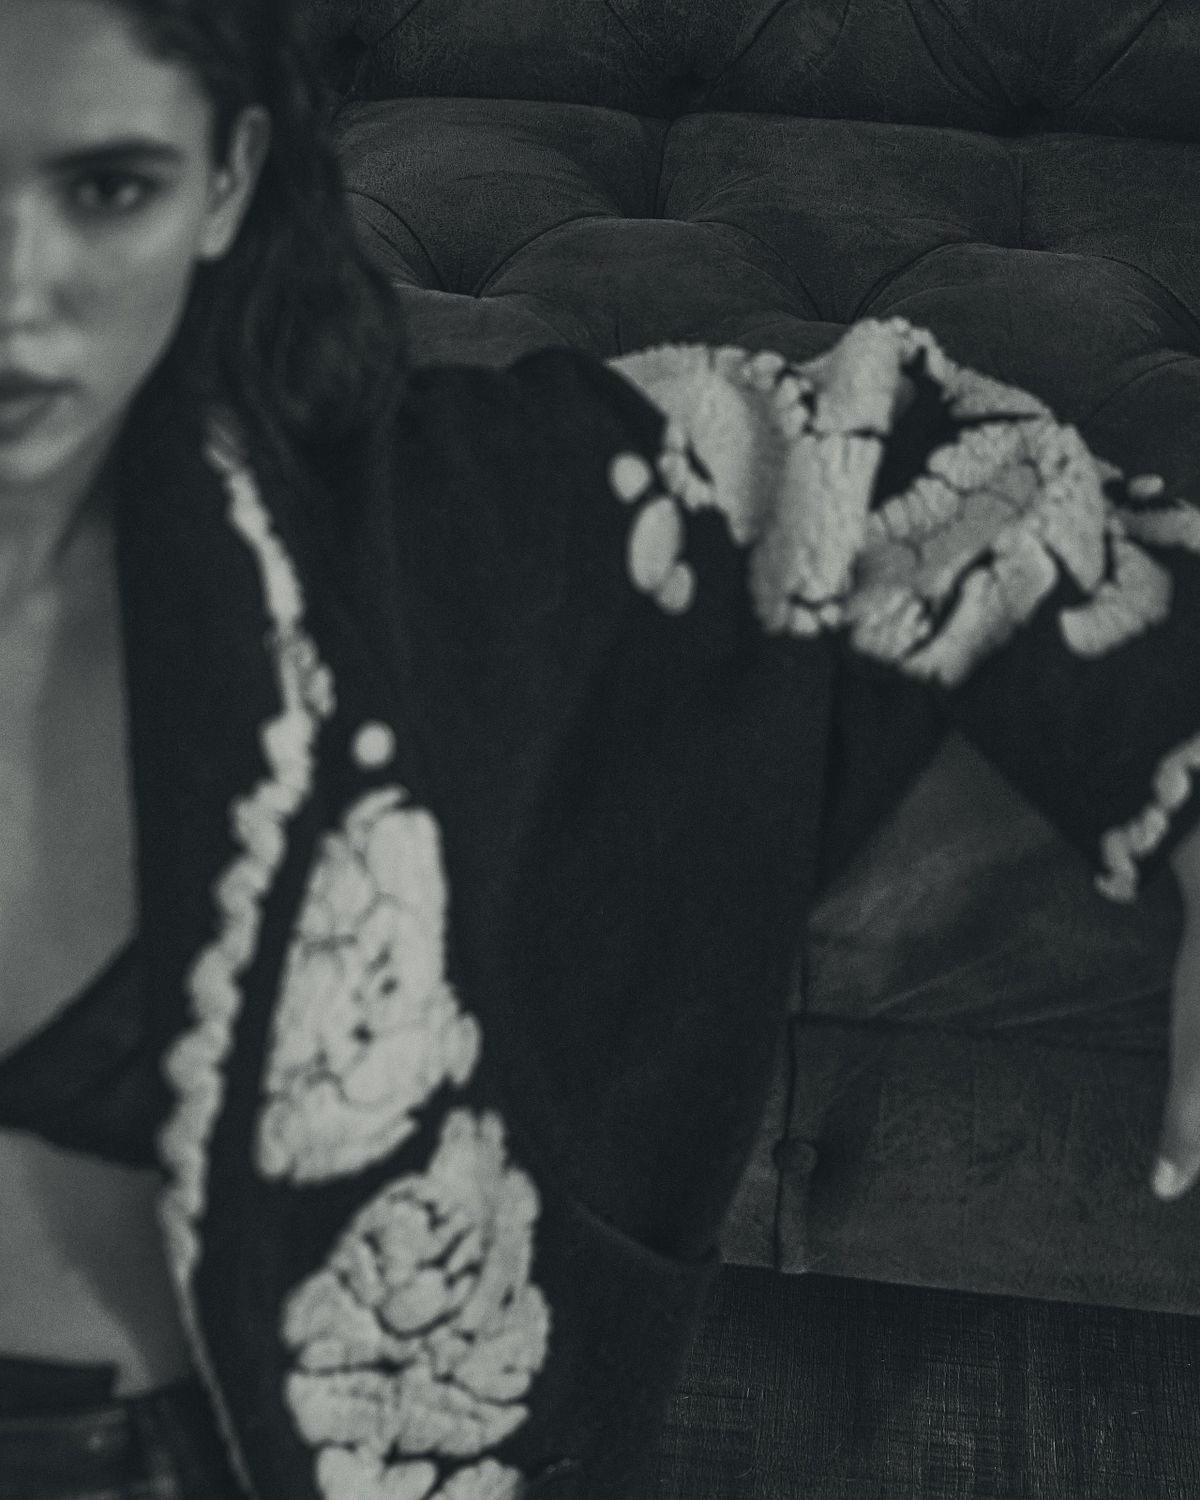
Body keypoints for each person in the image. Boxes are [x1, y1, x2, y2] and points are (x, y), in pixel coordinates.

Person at [1, 0, 1198, 1496]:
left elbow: (902, 457)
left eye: (108, 187)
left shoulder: (429, 528)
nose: (17, 287)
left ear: (228, 180)